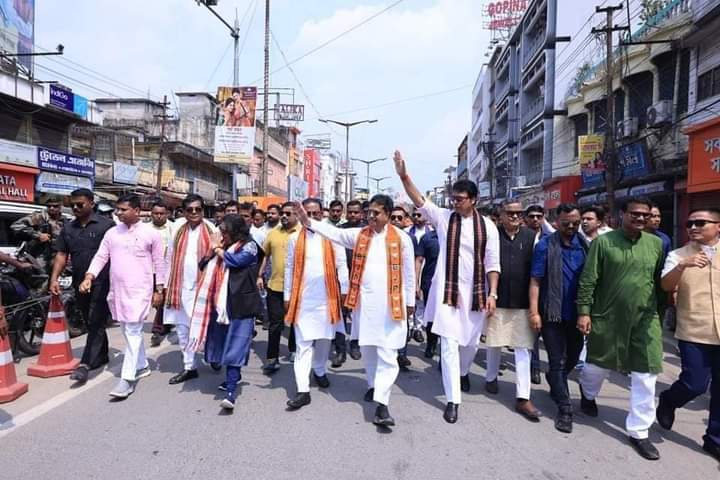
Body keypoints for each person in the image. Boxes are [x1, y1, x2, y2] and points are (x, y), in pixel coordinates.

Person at [394, 150, 500, 424]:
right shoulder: (443, 218)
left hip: (475, 294)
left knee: (470, 345)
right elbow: (418, 200)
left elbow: (492, 262)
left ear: (473, 200)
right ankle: (453, 400)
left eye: (460, 199)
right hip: (447, 293)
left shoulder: (488, 226)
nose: (455, 202)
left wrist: (492, 293)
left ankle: (463, 373)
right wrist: (404, 176)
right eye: (453, 198)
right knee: (449, 345)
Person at [297, 193, 415, 427]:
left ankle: (382, 405)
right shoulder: (360, 235)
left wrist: (410, 302)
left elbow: (409, 273)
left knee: (388, 354)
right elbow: (335, 233)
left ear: (387, 214)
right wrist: (309, 222)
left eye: (376, 213)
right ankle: (373, 385)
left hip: (392, 306)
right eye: (369, 212)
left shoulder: (402, 239)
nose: (371, 216)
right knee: (369, 349)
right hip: (366, 306)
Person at [576, 196, 665, 460]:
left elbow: (658, 283)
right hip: (608, 317)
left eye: (645, 215)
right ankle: (587, 393)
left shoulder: (656, 244)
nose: (641, 218)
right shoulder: (603, 243)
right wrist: (584, 312)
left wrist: (659, 315)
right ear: (621, 215)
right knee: (597, 366)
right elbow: (588, 280)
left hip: (645, 320)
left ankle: (639, 431)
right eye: (635, 213)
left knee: (646, 374)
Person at [80, 194, 166, 399]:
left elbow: (159, 263)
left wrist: (159, 290)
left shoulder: (151, 234)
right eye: (117, 209)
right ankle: (142, 365)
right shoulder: (112, 233)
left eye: (123, 209)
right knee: (127, 330)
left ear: (136, 211)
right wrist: (89, 276)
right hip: (117, 290)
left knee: (134, 331)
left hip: (140, 290)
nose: (118, 213)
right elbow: (101, 256)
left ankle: (127, 379)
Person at [656, 208, 720, 462]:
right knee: (695, 384)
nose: (693, 227)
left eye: (700, 222)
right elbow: (665, 285)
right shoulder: (678, 255)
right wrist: (683, 266)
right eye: (689, 223)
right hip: (694, 330)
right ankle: (669, 400)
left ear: (718, 226)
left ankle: (714, 440)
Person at [284, 198, 349, 410]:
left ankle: (320, 370)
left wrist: (345, 291)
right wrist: (287, 295)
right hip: (303, 300)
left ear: (322, 214)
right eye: (307, 213)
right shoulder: (294, 238)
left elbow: (342, 265)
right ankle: (303, 390)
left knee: (324, 339)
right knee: (303, 344)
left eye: (315, 213)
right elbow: (289, 268)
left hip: (328, 298)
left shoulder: (332, 236)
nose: (310, 218)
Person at [191, 214, 261, 410]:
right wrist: (211, 251)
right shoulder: (221, 246)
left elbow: (236, 261)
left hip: (241, 305)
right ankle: (232, 376)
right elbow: (202, 265)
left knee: (236, 346)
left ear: (236, 232)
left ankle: (230, 392)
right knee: (220, 343)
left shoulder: (249, 246)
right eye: (221, 231)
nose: (222, 235)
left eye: (225, 231)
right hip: (220, 304)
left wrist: (217, 249)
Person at [529, 204, 588, 433]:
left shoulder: (585, 245)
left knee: (573, 357)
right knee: (558, 361)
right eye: (566, 223)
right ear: (556, 222)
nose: (571, 226)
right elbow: (535, 280)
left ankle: (555, 380)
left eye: (576, 223)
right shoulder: (545, 245)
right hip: (551, 314)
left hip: (577, 314)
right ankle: (565, 409)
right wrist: (534, 312)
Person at [50, 189, 114, 384]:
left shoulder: (107, 226)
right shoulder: (68, 228)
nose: (76, 208)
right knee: (89, 320)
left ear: (91, 203)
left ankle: (85, 364)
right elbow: (61, 254)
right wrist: (54, 278)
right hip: (80, 283)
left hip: (103, 282)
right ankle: (101, 355)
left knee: (95, 319)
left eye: (80, 204)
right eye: (73, 205)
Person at [484, 200, 540, 421]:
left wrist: (535, 305)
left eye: (518, 213)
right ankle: (490, 378)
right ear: (501, 214)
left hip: (523, 301)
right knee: (494, 342)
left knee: (523, 348)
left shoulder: (531, 237)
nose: (515, 216)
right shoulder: (492, 235)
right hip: (496, 298)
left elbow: (536, 270)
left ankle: (523, 397)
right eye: (510, 213)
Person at [164, 194, 217, 385]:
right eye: (190, 210)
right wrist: (165, 285)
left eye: (198, 209)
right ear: (184, 212)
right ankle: (189, 367)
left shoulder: (212, 229)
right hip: (179, 286)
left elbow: (217, 259)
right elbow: (169, 257)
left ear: (203, 210)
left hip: (203, 287)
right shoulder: (177, 229)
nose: (194, 213)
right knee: (182, 329)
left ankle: (213, 355)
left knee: (207, 327)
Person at [259, 202, 300, 373]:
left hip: (297, 287)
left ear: (297, 215)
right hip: (275, 286)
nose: (284, 216)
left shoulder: (303, 233)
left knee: (296, 322)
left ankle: (294, 350)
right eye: (282, 213)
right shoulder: (273, 233)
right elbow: (264, 255)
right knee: (275, 324)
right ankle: (272, 358)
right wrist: (259, 275)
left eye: (288, 213)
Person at [331, 199, 367, 367]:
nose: (353, 215)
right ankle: (340, 351)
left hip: (362, 279)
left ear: (361, 213)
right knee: (341, 315)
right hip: (342, 278)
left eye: (356, 212)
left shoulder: (367, 231)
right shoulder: (339, 230)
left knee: (358, 315)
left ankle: (355, 344)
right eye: (350, 212)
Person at [11, 196, 66, 273]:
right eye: (49, 206)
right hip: (39, 258)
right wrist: (37, 235)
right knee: (40, 278)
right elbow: (16, 225)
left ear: (60, 206)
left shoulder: (64, 220)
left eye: (55, 206)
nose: (51, 208)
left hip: (56, 258)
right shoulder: (39, 217)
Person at [390, 206, 414, 371]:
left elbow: (410, 270)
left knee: (402, 324)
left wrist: (410, 299)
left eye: (400, 218)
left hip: (402, 289)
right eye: (393, 217)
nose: (396, 221)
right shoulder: (379, 237)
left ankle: (401, 354)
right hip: (384, 290)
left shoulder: (407, 239)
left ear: (405, 220)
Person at [149, 201, 175, 347]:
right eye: (156, 213)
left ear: (167, 214)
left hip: (167, 270)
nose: (158, 216)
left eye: (161, 213)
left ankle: (157, 330)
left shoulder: (173, 228)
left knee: (162, 298)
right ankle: (166, 322)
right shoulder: (145, 229)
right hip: (148, 269)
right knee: (153, 300)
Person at [415, 222, 440, 358]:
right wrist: (416, 284)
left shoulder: (456, 236)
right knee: (431, 315)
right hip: (429, 282)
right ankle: (431, 343)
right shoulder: (427, 238)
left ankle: (447, 348)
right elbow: (419, 260)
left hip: (450, 284)